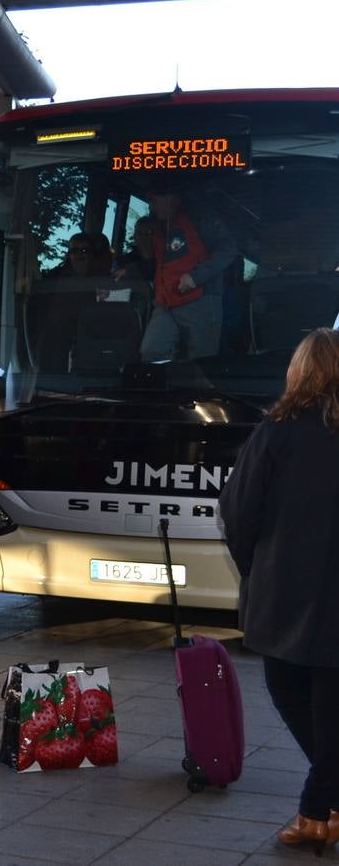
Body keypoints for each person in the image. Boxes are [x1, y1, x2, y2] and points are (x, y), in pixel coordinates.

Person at [220, 328, 339, 850]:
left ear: (298, 372)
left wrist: (258, 568)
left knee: (288, 691)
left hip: (285, 590)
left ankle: (317, 812)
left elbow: (238, 513)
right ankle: (324, 806)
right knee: (330, 706)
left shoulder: (274, 433)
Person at [139, 186, 238, 362]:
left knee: (201, 362)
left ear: (174, 198)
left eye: (155, 200)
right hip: (165, 304)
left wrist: (195, 277)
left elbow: (228, 249)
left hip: (200, 300)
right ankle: (163, 389)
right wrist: (131, 268)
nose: (151, 206)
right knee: (151, 352)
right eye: (149, 201)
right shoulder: (156, 226)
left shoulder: (200, 219)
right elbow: (154, 260)